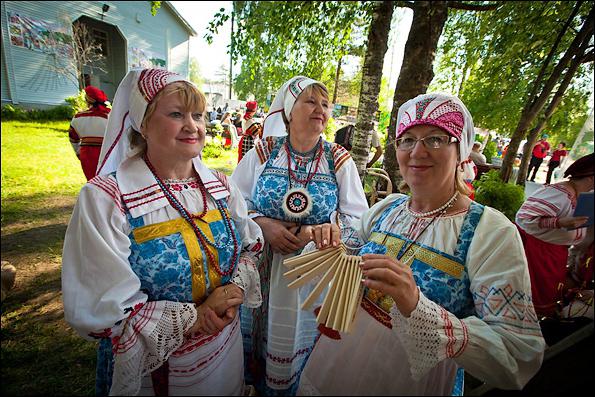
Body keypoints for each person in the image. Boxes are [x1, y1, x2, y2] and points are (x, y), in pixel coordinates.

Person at [297, 93, 545, 395]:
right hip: (339, 362)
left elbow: (518, 355)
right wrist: (329, 244)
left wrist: (415, 304)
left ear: (461, 151)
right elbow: (342, 254)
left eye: (435, 139)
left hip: (414, 383)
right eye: (407, 139)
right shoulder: (386, 209)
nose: (417, 151)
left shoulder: (490, 231)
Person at [61, 68, 264, 396]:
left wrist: (236, 289)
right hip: (159, 368)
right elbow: (104, 307)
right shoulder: (107, 198)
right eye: (175, 114)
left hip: (224, 354)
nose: (192, 125)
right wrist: (195, 317)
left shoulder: (221, 186)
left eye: (197, 115)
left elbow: (248, 248)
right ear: (142, 123)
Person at [231, 76, 368, 395]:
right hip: (265, 265)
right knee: (258, 348)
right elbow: (234, 202)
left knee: (299, 351)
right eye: (310, 101)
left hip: (313, 273)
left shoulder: (338, 159)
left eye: (325, 103)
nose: (320, 108)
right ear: (290, 110)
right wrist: (262, 224)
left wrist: (316, 233)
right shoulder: (264, 152)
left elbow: (358, 221)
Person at [516, 153, 593, 320]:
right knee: (531, 295)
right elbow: (523, 218)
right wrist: (559, 223)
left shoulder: (581, 196)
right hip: (536, 252)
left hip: (552, 252)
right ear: (591, 179)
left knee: (544, 294)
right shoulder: (558, 193)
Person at [68, 85, 111, 180]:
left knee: (92, 181)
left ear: (87, 101)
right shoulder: (111, 116)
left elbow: (73, 138)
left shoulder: (78, 117)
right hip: (107, 155)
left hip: (87, 155)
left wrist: (78, 152)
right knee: (107, 183)